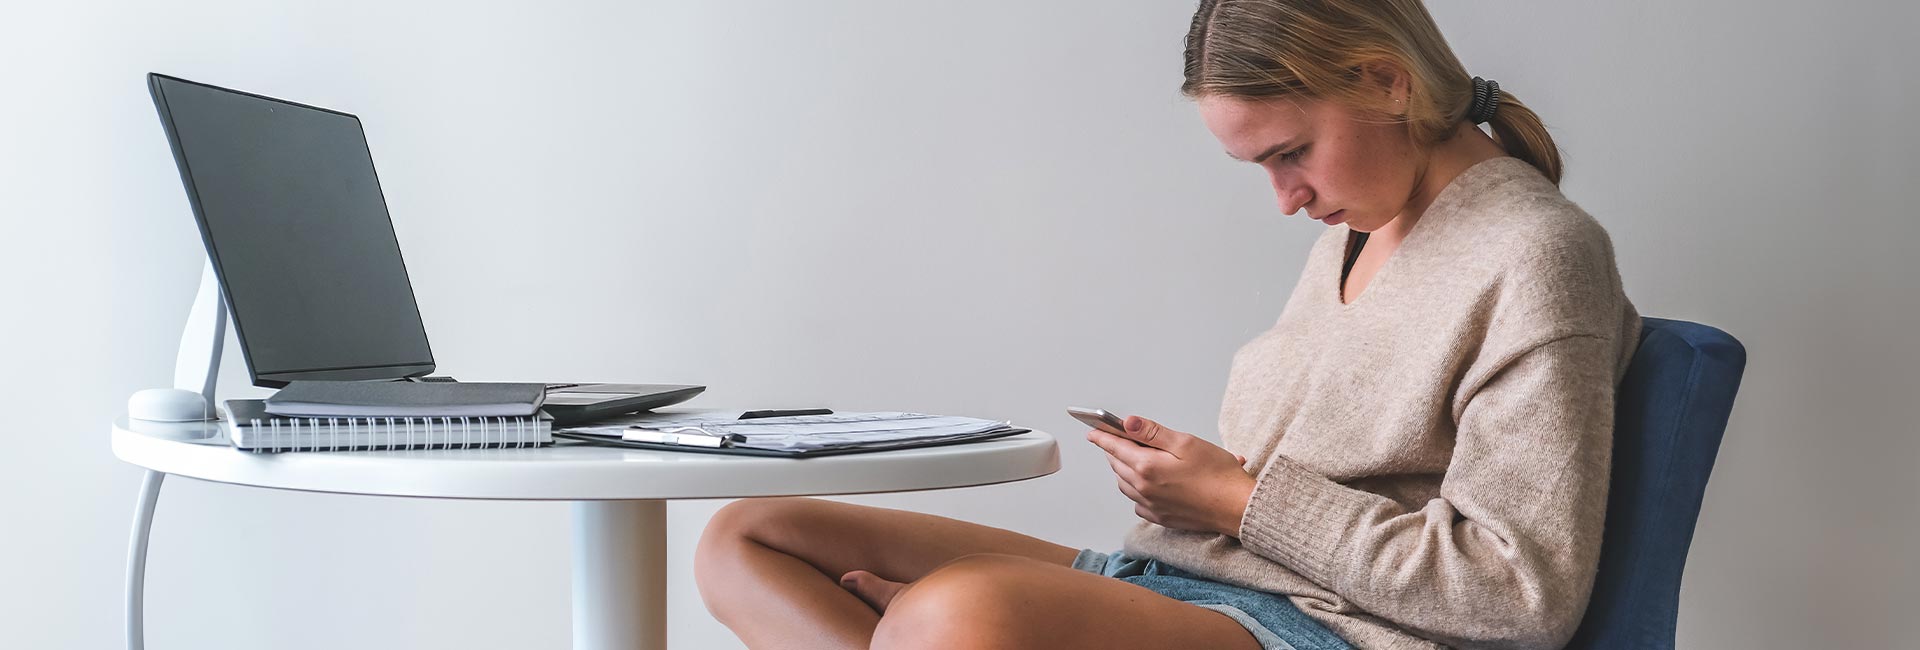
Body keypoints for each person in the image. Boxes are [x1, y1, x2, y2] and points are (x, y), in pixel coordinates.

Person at [693, 0, 1639, 647]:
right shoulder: (1363, 220)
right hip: (1193, 578)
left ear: (1386, 82)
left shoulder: (1535, 253)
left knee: (950, 617)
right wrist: (1203, 490)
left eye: (1292, 153)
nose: (1284, 198)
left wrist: (1235, 501)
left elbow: (1521, 595)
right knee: (750, 535)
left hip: (1326, 626)